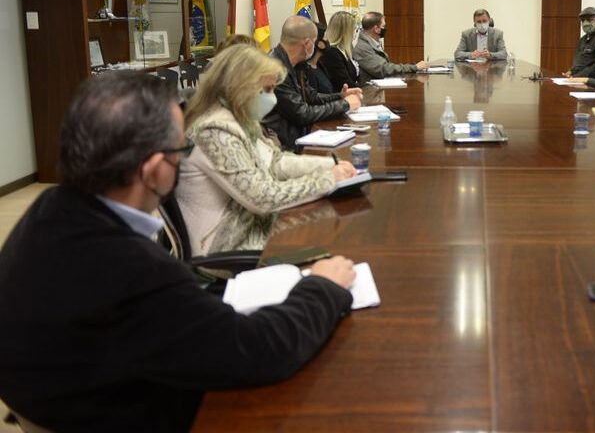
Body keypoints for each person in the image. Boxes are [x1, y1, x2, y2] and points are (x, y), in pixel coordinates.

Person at [0, 71, 358, 431]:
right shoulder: (134, 270)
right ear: (154, 170)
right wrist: (323, 287)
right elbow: (260, 351)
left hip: (70, 398)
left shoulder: (49, 209)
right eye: (180, 151)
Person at [178, 45, 358, 255]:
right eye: (268, 90)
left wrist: (331, 165)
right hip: (231, 245)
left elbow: (275, 162)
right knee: (335, 238)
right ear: (242, 88)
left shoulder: (240, 117)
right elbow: (262, 198)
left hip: (254, 224)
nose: (272, 98)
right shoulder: (214, 130)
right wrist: (328, 179)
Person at [263, 15, 362, 151]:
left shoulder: (296, 65)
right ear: (308, 43)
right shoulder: (275, 69)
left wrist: (340, 96)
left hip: (297, 137)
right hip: (284, 147)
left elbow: (312, 96)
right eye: (315, 41)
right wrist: (345, 104)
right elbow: (301, 114)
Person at [354, 11, 428, 79]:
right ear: (376, 29)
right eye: (383, 26)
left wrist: (413, 67)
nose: (385, 29)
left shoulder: (373, 43)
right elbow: (384, 69)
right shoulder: (362, 48)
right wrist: (414, 67)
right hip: (370, 87)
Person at [319, 10, 363, 92]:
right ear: (346, 31)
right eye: (354, 29)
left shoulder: (345, 50)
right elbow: (343, 82)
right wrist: (364, 88)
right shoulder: (332, 53)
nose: (355, 32)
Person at [564, 7, 595, 78]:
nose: (585, 23)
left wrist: (577, 76)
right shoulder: (583, 39)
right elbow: (579, 61)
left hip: (594, 80)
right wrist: (571, 71)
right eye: (583, 20)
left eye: (589, 19)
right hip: (578, 79)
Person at [303, 22, 336, 94]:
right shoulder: (307, 72)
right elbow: (314, 98)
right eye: (325, 37)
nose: (328, 40)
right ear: (318, 43)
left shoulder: (320, 65)